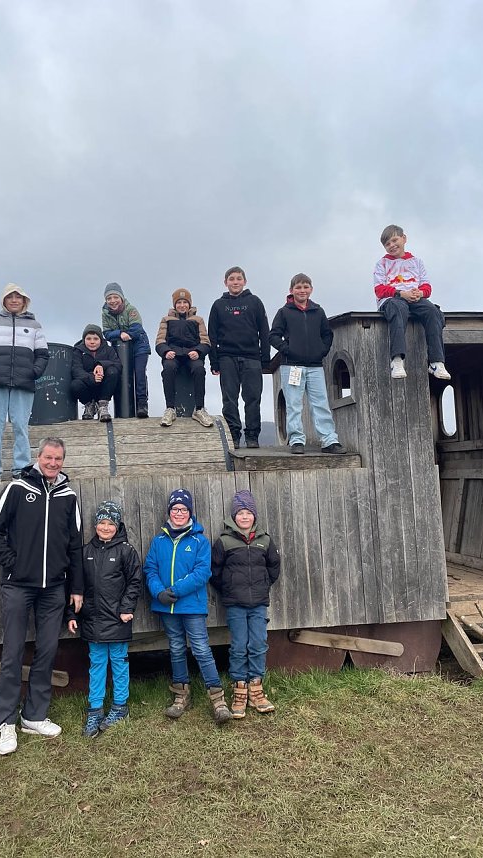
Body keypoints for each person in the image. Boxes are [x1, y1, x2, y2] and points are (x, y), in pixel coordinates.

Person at [0, 437, 83, 756]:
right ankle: (6, 723)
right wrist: (14, 563)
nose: (53, 463)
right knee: (12, 653)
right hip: (18, 586)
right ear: (38, 457)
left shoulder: (68, 497)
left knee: (47, 650)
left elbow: (76, 547)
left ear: (63, 462)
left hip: (54, 588)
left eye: (58, 459)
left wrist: (76, 588)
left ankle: (34, 715)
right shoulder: (17, 489)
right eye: (48, 457)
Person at [144, 488, 231, 724]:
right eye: (175, 509)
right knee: (176, 648)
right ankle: (181, 696)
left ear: (190, 512)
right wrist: (158, 592)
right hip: (166, 607)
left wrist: (176, 590)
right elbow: (150, 569)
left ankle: (218, 699)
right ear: (169, 512)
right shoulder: (159, 540)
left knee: (201, 649)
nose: (179, 513)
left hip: (191, 606)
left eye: (183, 509)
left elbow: (203, 572)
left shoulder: (199, 541)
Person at [68, 500, 142, 738]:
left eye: (111, 523)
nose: (106, 527)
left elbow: (134, 582)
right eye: (102, 522)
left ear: (118, 525)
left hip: (118, 619)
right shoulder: (85, 552)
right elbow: (75, 586)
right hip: (92, 620)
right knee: (97, 664)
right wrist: (72, 613)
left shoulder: (126, 551)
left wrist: (126, 607)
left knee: (119, 662)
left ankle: (120, 706)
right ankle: (95, 709)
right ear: (95, 524)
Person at [211, 490, 280, 718]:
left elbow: (273, 567)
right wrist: (229, 588)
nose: (244, 517)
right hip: (235, 604)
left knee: (258, 644)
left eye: (248, 512)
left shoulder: (265, 540)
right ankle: (240, 689)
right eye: (240, 513)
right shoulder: (224, 541)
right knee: (239, 646)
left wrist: (262, 585)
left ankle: (256, 688)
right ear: (233, 516)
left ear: (254, 516)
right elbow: (215, 571)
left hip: (259, 602)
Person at [0, 283, 49, 480]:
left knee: (21, 427)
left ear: (24, 301)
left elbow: (42, 355)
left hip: (24, 384)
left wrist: (34, 372)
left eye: (18, 297)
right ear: (4, 300)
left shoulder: (35, 326)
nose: (14, 300)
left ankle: (21, 469)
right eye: (10, 297)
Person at [269, 274, 345, 454]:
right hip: (292, 366)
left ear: (311, 289)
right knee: (294, 404)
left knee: (321, 403)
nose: (302, 290)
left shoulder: (318, 311)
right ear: (291, 290)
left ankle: (329, 440)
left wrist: (322, 350)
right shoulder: (284, 312)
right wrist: (287, 349)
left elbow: (327, 334)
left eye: (305, 287)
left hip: (315, 366)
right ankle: (296, 441)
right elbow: (273, 336)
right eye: (298, 287)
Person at [374, 225, 451, 381]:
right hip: (393, 299)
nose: (392, 245)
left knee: (433, 311)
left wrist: (420, 293)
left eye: (394, 240)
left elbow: (427, 286)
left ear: (404, 238)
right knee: (398, 308)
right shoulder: (381, 264)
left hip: (415, 298)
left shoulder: (417, 262)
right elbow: (379, 289)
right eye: (387, 244)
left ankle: (436, 362)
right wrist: (400, 293)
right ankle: (397, 360)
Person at [208, 266, 271, 449]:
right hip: (227, 357)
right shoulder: (218, 305)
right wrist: (214, 361)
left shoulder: (255, 302)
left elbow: (264, 332)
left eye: (238, 279)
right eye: (231, 279)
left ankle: (252, 436)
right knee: (229, 399)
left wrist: (265, 359)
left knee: (253, 398)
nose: (235, 282)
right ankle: (233, 435)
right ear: (225, 282)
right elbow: (212, 336)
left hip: (252, 358)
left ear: (245, 281)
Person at [155, 288, 214, 428]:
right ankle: (170, 408)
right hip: (173, 354)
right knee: (168, 368)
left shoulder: (198, 320)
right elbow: (160, 341)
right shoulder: (166, 320)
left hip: (192, 354)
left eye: (185, 302)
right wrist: (166, 352)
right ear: (175, 304)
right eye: (179, 302)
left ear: (189, 304)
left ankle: (199, 409)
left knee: (199, 369)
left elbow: (205, 341)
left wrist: (198, 352)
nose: (182, 305)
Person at [101, 282, 151, 418]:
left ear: (121, 298)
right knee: (121, 374)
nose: (112, 301)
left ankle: (142, 404)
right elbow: (106, 333)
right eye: (109, 298)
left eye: (115, 297)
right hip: (120, 348)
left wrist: (126, 334)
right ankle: (122, 408)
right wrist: (120, 334)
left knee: (139, 373)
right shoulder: (105, 314)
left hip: (139, 345)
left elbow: (137, 328)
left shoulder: (130, 309)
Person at [70, 324, 122, 422]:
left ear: (100, 340)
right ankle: (89, 405)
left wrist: (101, 365)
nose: (92, 342)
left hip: (104, 387)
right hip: (88, 386)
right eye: (88, 339)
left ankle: (103, 406)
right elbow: (76, 370)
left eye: (95, 339)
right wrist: (91, 377)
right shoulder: (78, 351)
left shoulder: (108, 349)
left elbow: (118, 365)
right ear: (84, 339)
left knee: (113, 371)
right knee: (75, 385)